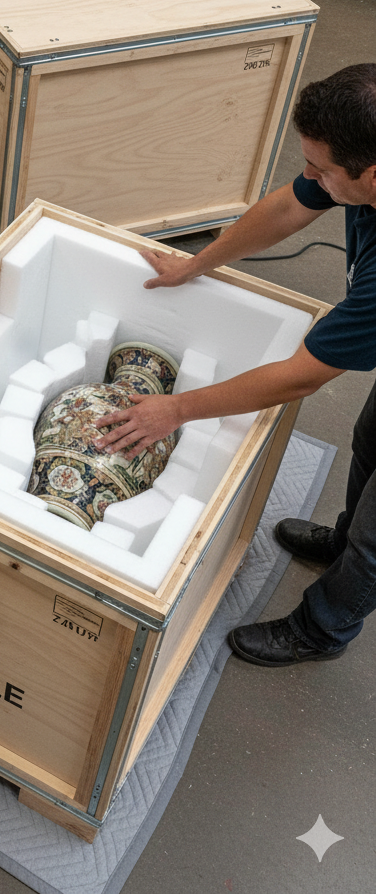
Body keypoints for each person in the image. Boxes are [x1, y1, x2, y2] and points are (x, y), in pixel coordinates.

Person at [92, 63, 376, 667]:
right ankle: (343, 541)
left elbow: (303, 374)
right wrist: (198, 265)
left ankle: (324, 629)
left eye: (321, 169)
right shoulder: (358, 164)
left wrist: (178, 410)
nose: (309, 177)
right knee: (369, 441)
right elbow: (287, 208)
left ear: (372, 175)